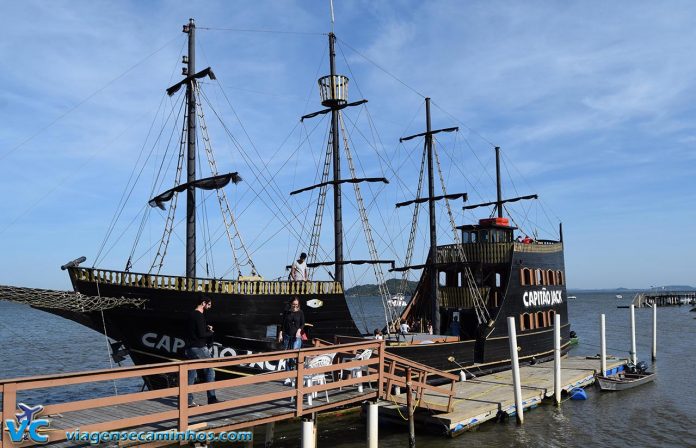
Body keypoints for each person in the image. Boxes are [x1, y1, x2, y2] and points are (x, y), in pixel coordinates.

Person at [185, 298, 220, 406]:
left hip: (190, 348)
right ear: (203, 303)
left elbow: (194, 330)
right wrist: (211, 332)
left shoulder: (191, 314)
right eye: (208, 304)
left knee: (191, 373)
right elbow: (201, 334)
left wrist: (205, 327)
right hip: (199, 347)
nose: (209, 306)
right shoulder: (199, 315)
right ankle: (212, 398)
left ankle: (188, 401)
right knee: (210, 370)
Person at [278, 296, 305, 377]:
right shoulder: (287, 312)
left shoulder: (300, 312)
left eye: (296, 305)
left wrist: (299, 330)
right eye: (294, 304)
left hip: (296, 337)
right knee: (287, 356)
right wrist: (280, 334)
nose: (295, 306)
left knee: (295, 356)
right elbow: (282, 324)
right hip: (287, 335)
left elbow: (303, 323)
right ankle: (288, 376)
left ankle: (295, 375)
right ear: (291, 304)